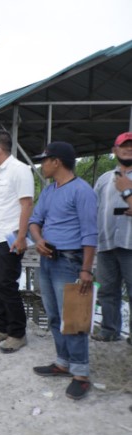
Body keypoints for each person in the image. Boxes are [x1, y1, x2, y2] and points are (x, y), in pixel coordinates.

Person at [29, 141, 97, 401]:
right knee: (55, 315)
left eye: (44, 160)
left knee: (75, 318)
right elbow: (35, 220)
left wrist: (86, 271)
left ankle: (81, 374)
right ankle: (62, 362)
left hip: (71, 260)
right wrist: (38, 239)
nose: (42, 165)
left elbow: (91, 233)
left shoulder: (82, 191)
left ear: (56, 161)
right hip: (47, 259)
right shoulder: (49, 191)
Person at [0, 129, 34, 353]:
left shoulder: (19, 170)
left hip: (9, 238)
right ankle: (1, 327)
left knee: (7, 284)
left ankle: (17, 333)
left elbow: (26, 205)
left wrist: (21, 237)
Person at [92, 132, 132, 342]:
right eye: (123, 146)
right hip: (106, 243)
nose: (128, 149)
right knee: (107, 290)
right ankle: (109, 331)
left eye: (131, 146)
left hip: (130, 243)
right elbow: (92, 208)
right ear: (114, 151)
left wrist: (127, 192)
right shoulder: (104, 179)